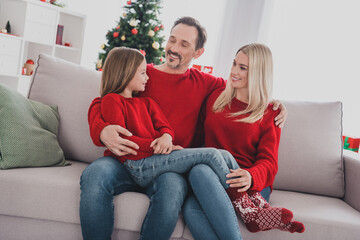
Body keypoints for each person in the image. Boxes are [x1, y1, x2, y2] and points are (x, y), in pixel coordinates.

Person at [82, 16, 287, 240]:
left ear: (198, 53)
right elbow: (104, 98)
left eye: (184, 44)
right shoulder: (143, 75)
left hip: (170, 167)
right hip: (126, 158)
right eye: (172, 40)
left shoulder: (208, 85)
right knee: (95, 174)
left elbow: (244, 89)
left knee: (173, 190)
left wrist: (272, 103)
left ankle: (249, 208)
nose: (173, 48)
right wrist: (101, 129)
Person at [183, 44, 305, 236]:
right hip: (212, 179)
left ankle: (250, 207)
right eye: (234, 63)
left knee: (199, 175)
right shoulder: (215, 97)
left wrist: (250, 176)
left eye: (243, 68)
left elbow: (269, 163)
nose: (234, 71)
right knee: (195, 191)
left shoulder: (270, 112)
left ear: (258, 73)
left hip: (250, 187)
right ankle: (252, 214)